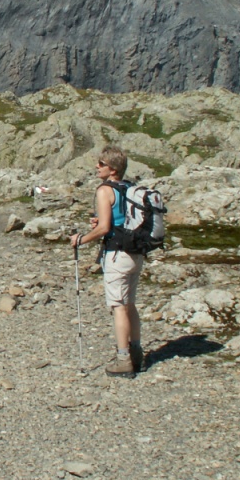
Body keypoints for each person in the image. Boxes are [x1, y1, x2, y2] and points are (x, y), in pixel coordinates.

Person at [68, 145, 144, 377]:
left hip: (116, 255)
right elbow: (118, 220)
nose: (96, 167)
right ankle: (136, 352)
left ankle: (123, 360)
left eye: (100, 164)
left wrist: (81, 239)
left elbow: (103, 228)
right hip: (136, 253)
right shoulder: (130, 187)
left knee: (118, 306)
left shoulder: (105, 190)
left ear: (112, 169)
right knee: (129, 303)